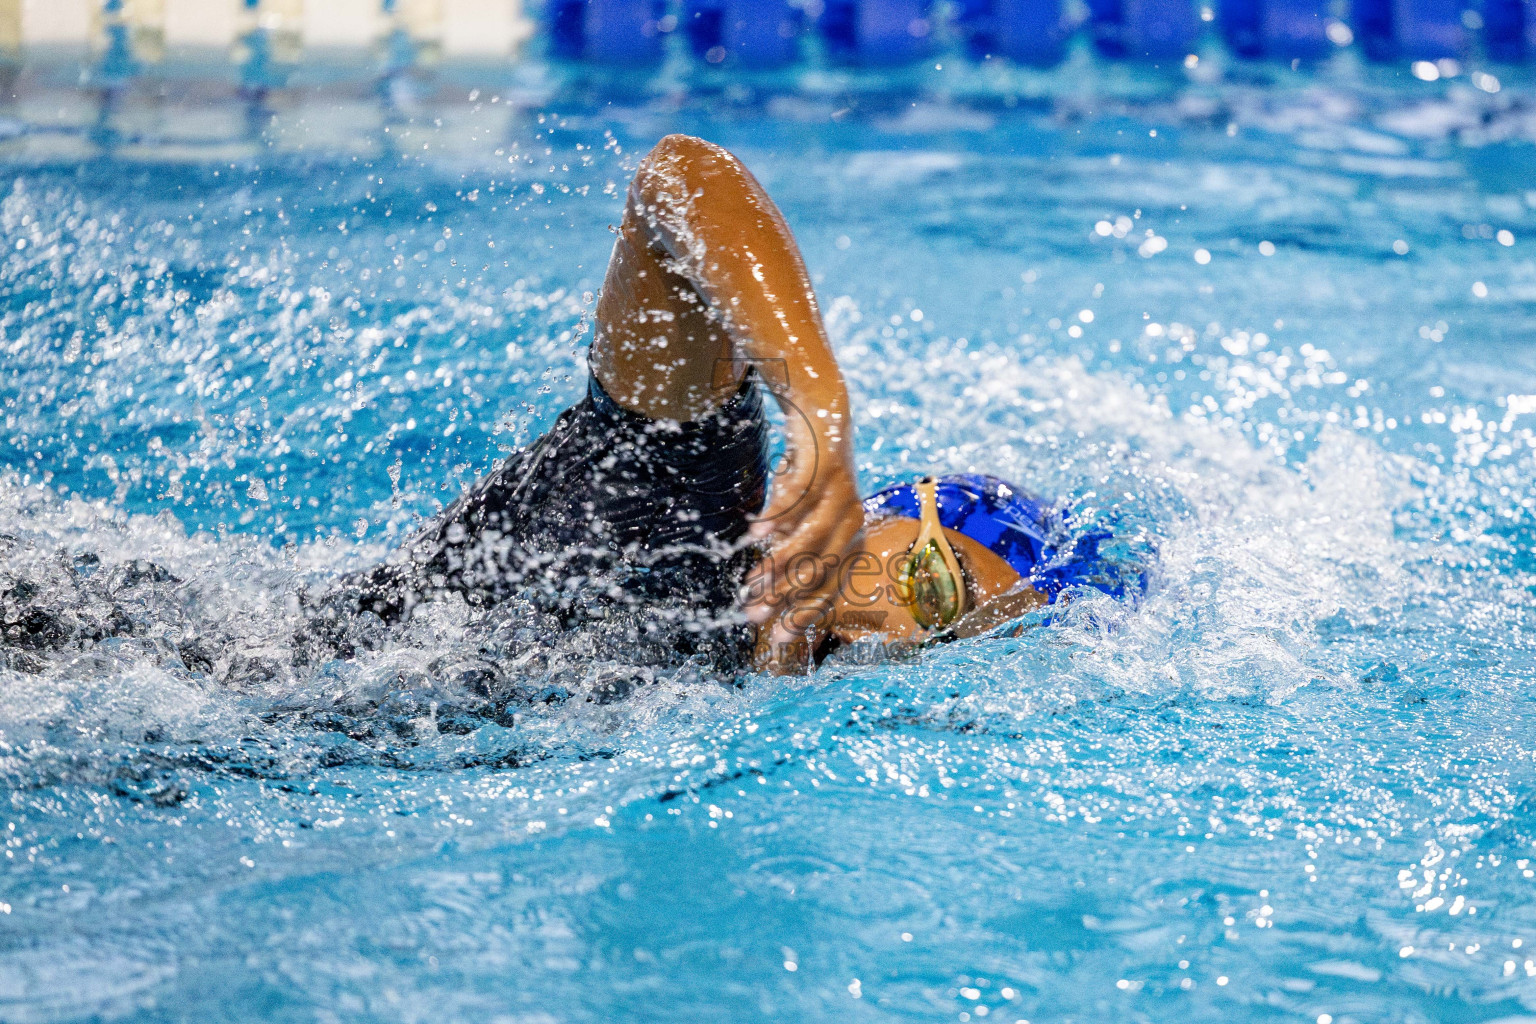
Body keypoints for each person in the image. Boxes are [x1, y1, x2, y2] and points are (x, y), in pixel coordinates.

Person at [308, 134, 1125, 676]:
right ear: (878, 518)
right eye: (931, 589)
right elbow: (682, 176)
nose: (900, 641)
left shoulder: (729, 702)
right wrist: (820, 415)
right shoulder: (687, 502)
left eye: (939, 645)